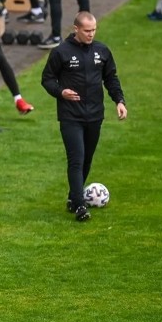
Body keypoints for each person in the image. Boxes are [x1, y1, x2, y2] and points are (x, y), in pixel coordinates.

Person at [40, 12, 126, 222]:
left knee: (87, 159)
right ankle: (80, 206)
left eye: (94, 30)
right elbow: (47, 79)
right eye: (87, 31)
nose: (91, 34)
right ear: (76, 29)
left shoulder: (102, 50)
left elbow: (110, 78)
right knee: (76, 159)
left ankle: (72, 198)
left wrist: (119, 101)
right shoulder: (61, 52)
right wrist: (61, 92)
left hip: (95, 115)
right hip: (71, 116)